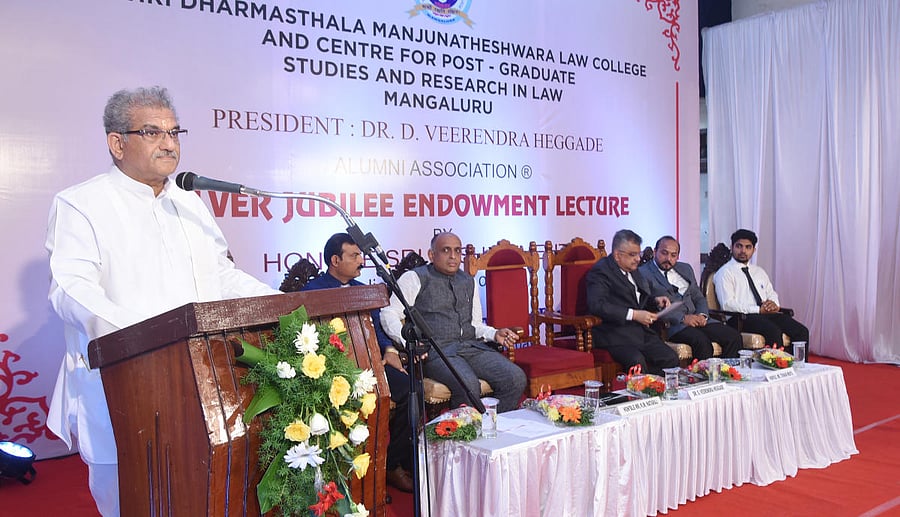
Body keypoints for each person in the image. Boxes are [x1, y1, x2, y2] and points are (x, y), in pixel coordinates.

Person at [45, 86, 280, 516]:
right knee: (134, 503)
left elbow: (221, 276)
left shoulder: (189, 201)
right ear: (117, 143)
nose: (169, 144)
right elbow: (71, 289)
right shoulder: (81, 204)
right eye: (153, 132)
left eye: (174, 132)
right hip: (127, 386)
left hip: (208, 383)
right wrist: (146, 342)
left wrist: (284, 306)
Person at [300, 233, 414, 493]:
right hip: (333, 370)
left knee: (410, 389)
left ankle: (392, 464)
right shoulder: (311, 292)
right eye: (354, 256)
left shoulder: (364, 290)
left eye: (360, 255)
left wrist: (389, 349)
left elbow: (378, 328)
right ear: (335, 260)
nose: (361, 261)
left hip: (371, 363)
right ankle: (343, 474)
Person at [380, 232, 527, 413]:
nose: (453, 256)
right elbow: (389, 313)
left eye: (457, 251)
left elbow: (475, 324)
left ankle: (493, 426)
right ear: (432, 255)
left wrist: (494, 334)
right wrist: (409, 342)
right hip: (437, 352)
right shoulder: (415, 278)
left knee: (515, 378)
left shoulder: (468, 281)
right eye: (446, 250)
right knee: (468, 385)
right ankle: (465, 429)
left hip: (471, 347)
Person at [585, 229, 680, 375]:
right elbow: (597, 305)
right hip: (614, 335)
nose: (637, 259)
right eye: (632, 255)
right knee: (637, 362)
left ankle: (656, 387)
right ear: (617, 255)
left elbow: (637, 300)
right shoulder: (601, 272)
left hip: (639, 332)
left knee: (670, 358)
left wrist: (655, 301)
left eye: (638, 254)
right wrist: (634, 315)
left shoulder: (633, 269)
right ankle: (646, 387)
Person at [639, 236, 742, 359]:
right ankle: (703, 372)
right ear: (655, 251)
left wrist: (702, 315)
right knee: (702, 343)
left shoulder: (685, 268)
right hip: (674, 325)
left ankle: (727, 371)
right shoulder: (643, 273)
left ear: (678, 256)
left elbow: (699, 297)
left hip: (698, 320)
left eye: (673, 255)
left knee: (733, 337)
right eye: (664, 253)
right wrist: (683, 318)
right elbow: (648, 304)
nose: (668, 259)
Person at [713, 229, 809, 353]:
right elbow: (728, 304)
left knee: (801, 331)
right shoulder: (725, 273)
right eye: (739, 246)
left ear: (754, 250)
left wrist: (774, 304)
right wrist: (758, 310)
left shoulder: (759, 271)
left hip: (765, 315)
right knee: (773, 332)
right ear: (732, 247)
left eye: (748, 247)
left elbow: (771, 293)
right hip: (740, 318)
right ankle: (776, 365)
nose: (743, 251)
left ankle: (798, 364)